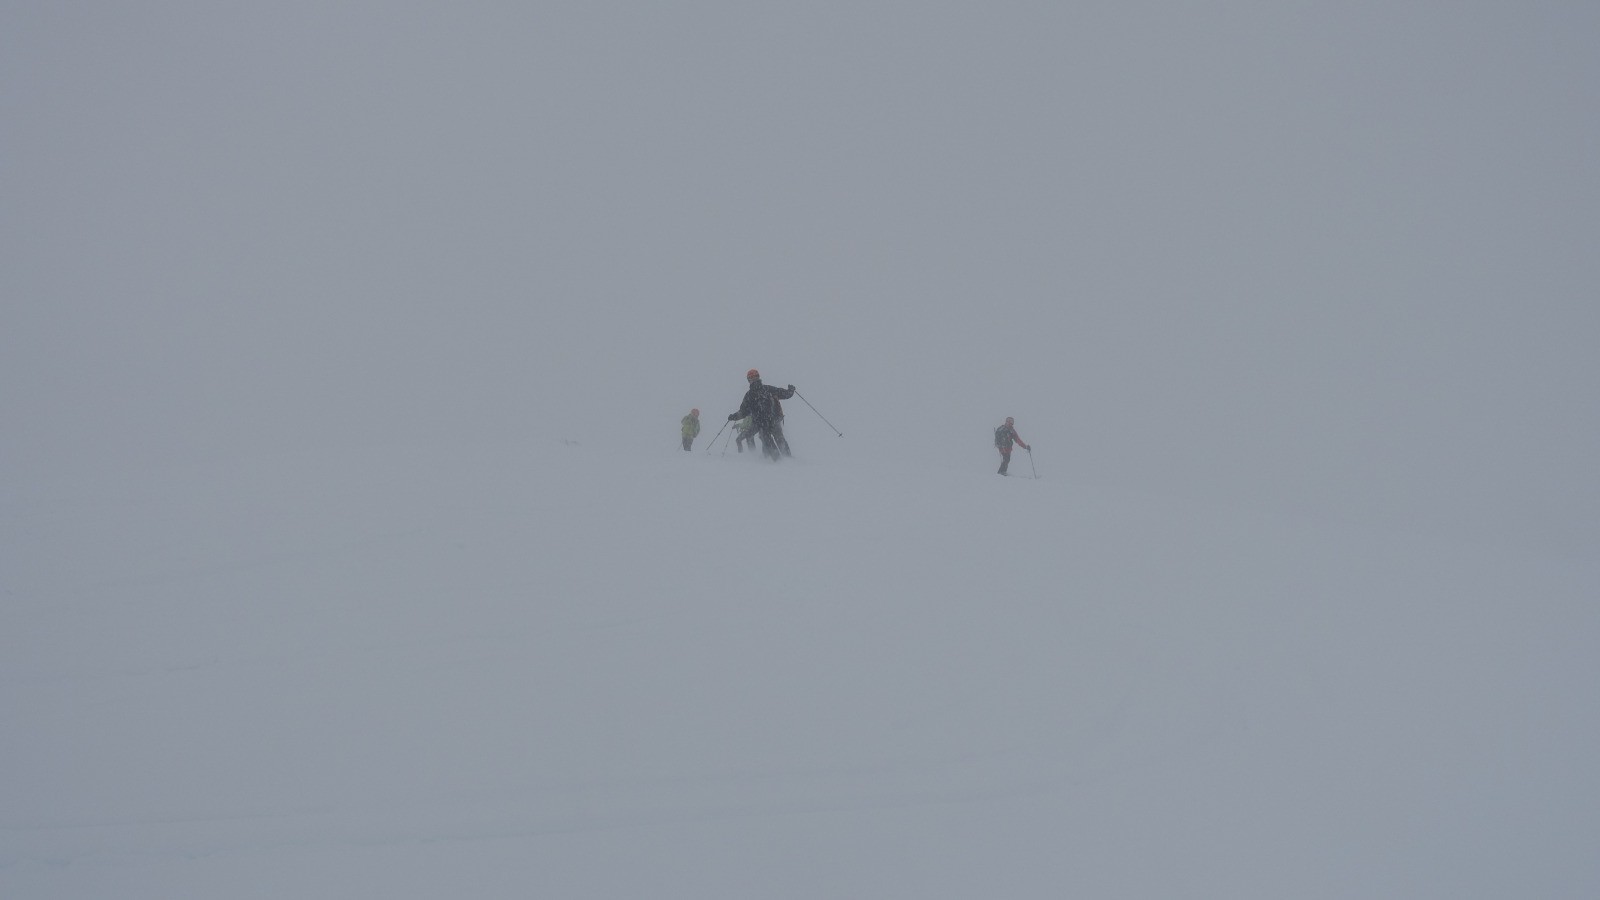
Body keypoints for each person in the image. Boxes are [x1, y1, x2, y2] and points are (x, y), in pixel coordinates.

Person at [727, 369, 795, 461]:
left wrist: (733, 417)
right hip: (773, 420)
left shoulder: (750, 395)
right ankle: (788, 461)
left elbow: (743, 412)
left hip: (762, 424)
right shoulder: (767, 389)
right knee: (779, 440)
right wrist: (790, 390)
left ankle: (778, 462)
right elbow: (784, 394)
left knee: (769, 441)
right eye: (752, 378)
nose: (753, 379)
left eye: (754, 377)